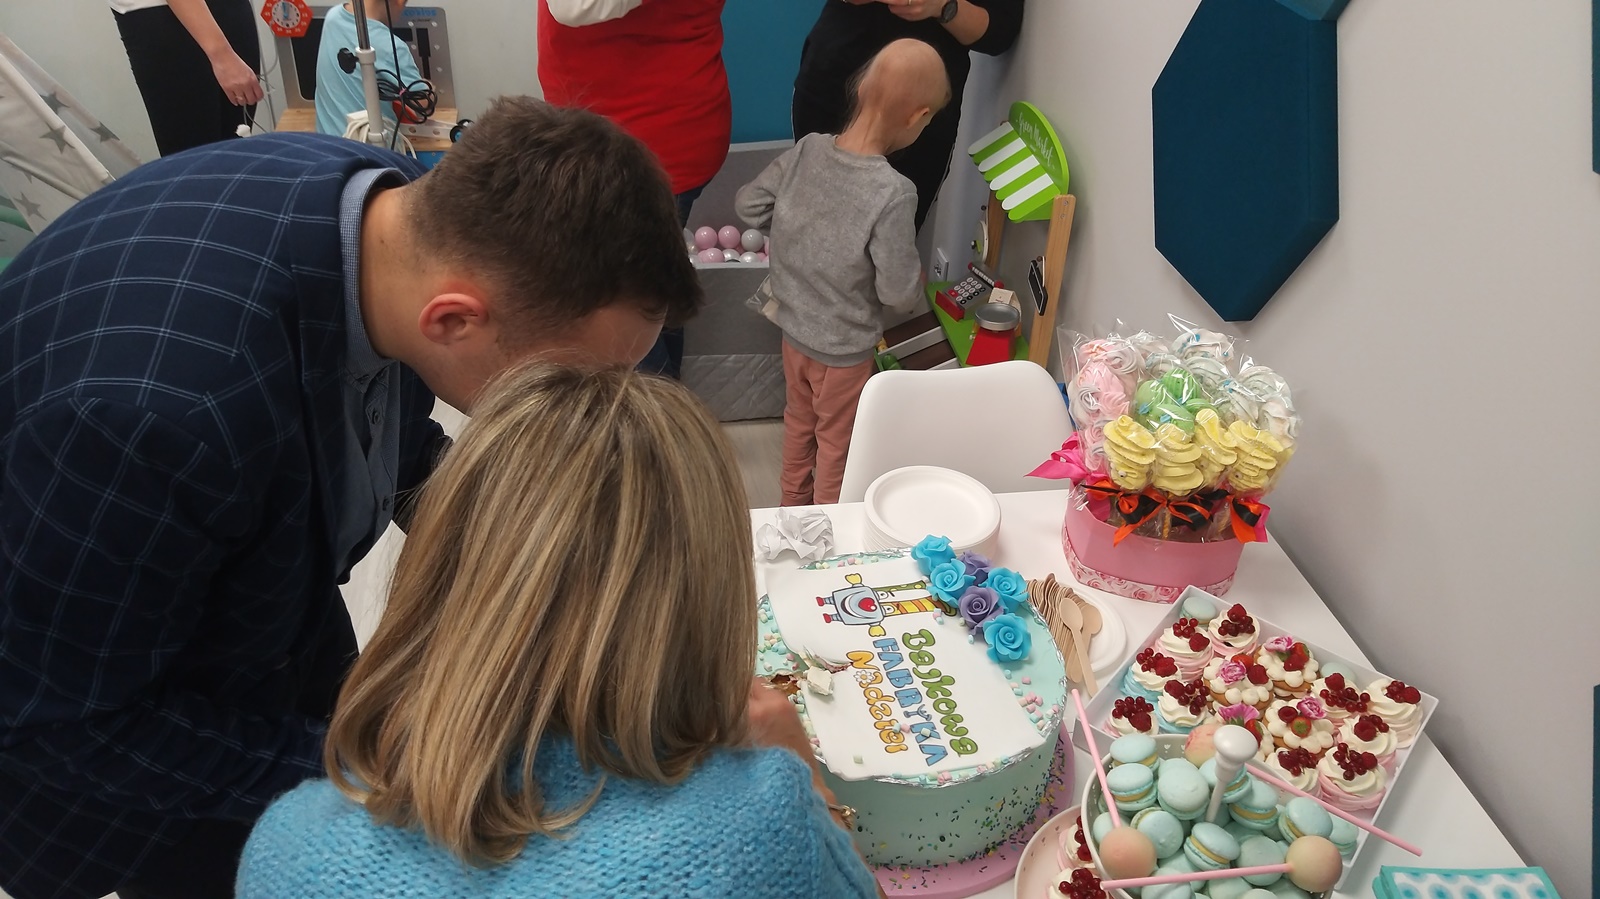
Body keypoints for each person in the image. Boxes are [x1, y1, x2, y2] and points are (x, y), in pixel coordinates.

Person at [0, 97, 698, 899]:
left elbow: (383, 437)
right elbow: (63, 721)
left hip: (261, 611)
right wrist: (375, 771)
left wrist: (537, 549)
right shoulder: (159, 420)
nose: (590, 412)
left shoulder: (399, 217)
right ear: (454, 319)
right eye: (572, 385)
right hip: (112, 742)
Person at [235, 363, 879, 899]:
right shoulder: (765, 830)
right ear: (708, 595)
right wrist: (807, 779)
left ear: (443, 568)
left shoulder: (289, 851)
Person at [736, 39, 950, 507]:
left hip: (793, 334)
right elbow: (898, 294)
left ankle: (791, 509)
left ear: (862, 89)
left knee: (798, 423)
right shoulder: (892, 191)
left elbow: (749, 205)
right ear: (917, 117)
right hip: (844, 354)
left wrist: (799, 233)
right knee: (837, 444)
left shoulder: (807, 150)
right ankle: (831, 524)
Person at [537, 0, 732, 378]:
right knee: (650, 286)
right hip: (647, 135)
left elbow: (573, 6)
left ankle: (653, 413)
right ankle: (665, 400)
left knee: (623, 313)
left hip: (640, 148)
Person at [792, 0, 1025, 230]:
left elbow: (1000, 31)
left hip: (919, 116)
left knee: (893, 230)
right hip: (832, 85)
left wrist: (943, 7)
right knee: (804, 221)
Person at [110, 0, 264, 156]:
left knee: (237, 154)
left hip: (230, 9)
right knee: (197, 159)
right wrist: (222, 55)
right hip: (162, 15)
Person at [314, 0, 425, 137]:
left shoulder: (333, 16)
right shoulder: (390, 46)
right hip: (372, 147)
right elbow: (423, 104)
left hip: (326, 143)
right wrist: (427, 87)